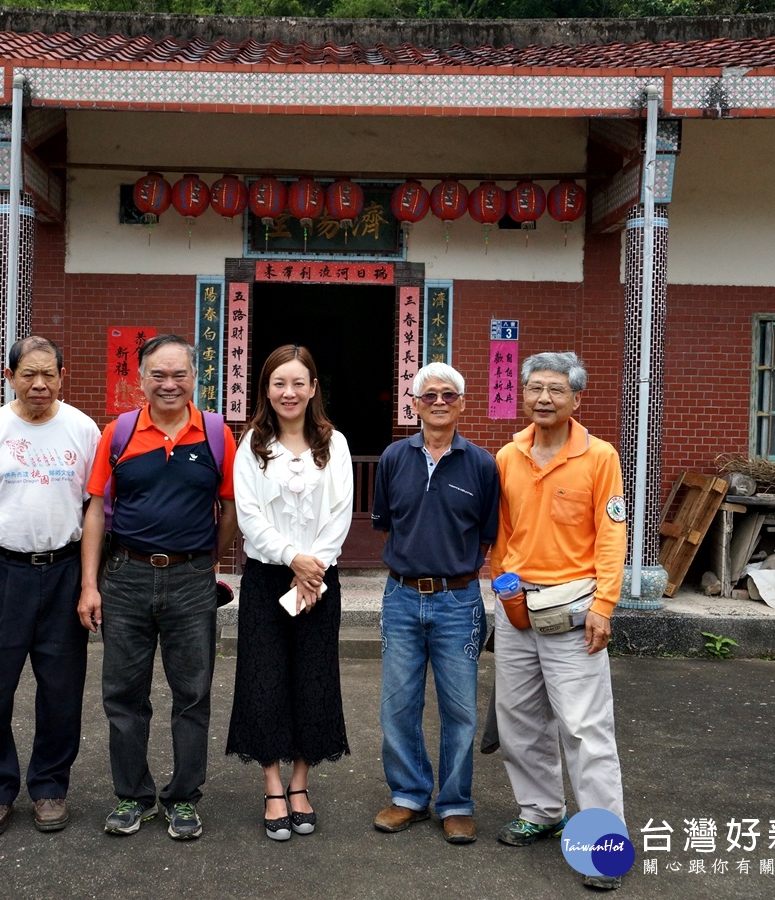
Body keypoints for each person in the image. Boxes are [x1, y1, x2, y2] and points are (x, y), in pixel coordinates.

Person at [79, 333, 238, 841]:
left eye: (179, 375)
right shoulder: (120, 433)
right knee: (124, 694)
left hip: (192, 579)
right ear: (141, 379)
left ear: (195, 378)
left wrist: (206, 560)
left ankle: (184, 798)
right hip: (125, 577)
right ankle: (132, 795)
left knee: (192, 694)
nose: (169, 384)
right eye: (158, 375)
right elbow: (96, 513)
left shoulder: (216, 434)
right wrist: (90, 585)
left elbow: (231, 508)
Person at [0, 334, 100, 837]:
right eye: (28, 374)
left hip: (64, 572)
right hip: (1, 574)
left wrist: (90, 582)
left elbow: (95, 511)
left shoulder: (82, 430)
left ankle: (50, 787)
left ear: (61, 376)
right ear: (9, 376)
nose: (39, 384)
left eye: (49, 374)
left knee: (61, 691)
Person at [489, 351, 628, 891]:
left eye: (555, 390)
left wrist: (604, 605)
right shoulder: (508, 455)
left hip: (575, 612)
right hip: (518, 607)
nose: (543, 398)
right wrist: (503, 587)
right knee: (519, 721)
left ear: (576, 399)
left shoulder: (600, 457)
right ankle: (542, 811)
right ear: (522, 394)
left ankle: (602, 845)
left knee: (585, 729)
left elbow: (612, 534)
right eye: (534, 389)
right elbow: (502, 531)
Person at [225, 345, 354, 842]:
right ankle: (273, 785)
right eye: (279, 383)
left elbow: (340, 510)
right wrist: (291, 559)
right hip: (267, 579)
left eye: (299, 382)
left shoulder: (334, 444)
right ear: (266, 389)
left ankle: (301, 783)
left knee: (313, 678)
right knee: (265, 679)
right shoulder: (252, 444)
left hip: (319, 580)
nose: (289, 392)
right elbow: (249, 516)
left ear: (313, 387)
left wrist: (313, 566)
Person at [370, 362, 499, 845]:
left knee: (460, 707)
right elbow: (385, 522)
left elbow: (488, 533)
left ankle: (455, 802)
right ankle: (407, 794)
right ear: (415, 404)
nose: (439, 402)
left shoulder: (483, 464)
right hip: (401, 596)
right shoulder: (393, 458)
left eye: (449, 395)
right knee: (397, 704)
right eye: (429, 396)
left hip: (458, 600)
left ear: (463, 404)